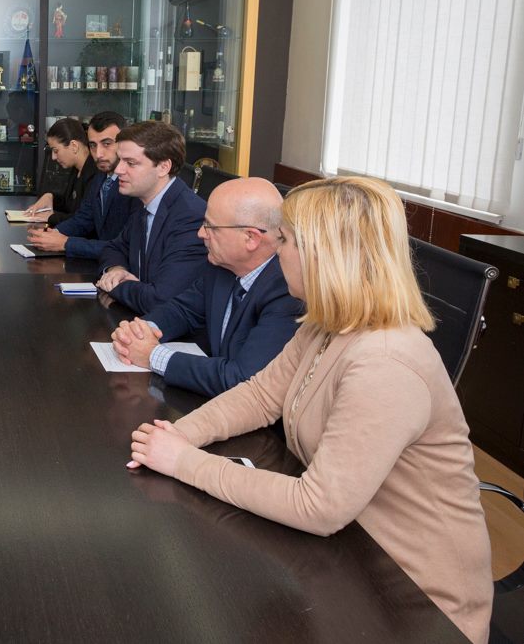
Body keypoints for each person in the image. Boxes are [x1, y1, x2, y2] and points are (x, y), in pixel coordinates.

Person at [126, 176, 492, 643]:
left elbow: (318, 507)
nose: (276, 252)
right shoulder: (325, 324)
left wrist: (184, 462)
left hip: (412, 601)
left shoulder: (385, 361)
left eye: (285, 241)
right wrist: (181, 434)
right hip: (349, 557)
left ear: (321, 255)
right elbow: (260, 395)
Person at [111, 177, 302, 397]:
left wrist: (153, 356)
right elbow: (183, 310)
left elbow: (242, 378)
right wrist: (138, 332)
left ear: (250, 238)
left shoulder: (287, 290)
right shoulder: (222, 264)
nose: (201, 233)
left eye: (210, 226)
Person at [94, 120, 207, 314]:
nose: (118, 170)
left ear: (163, 167)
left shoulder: (190, 218)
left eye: (130, 163)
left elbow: (160, 300)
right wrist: (117, 270)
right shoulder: (145, 201)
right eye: (120, 160)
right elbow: (114, 247)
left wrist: (117, 285)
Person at [26, 110, 136, 258]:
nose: (98, 154)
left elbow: (124, 247)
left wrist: (66, 243)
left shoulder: (134, 185)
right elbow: (83, 219)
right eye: (93, 145)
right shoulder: (101, 177)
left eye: (107, 144)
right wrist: (52, 234)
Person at [22, 118, 98, 226]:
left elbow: (84, 220)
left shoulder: (94, 174)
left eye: (56, 150)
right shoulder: (76, 169)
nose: (53, 157)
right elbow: (69, 205)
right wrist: (50, 197)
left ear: (74, 146)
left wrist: (51, 217)